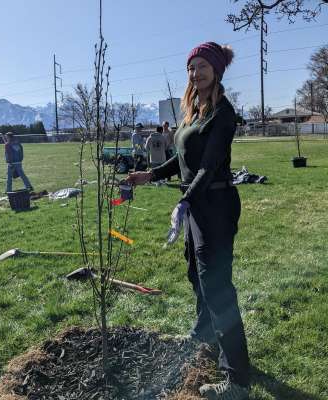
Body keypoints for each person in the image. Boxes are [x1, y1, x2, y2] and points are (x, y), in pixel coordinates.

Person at [127, 42, 250, 399]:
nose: (196, 74)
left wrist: (184, 200)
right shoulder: (194, 111)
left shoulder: (222, 114)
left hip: (215, 205)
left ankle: (238, 380)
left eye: (202, 67)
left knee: (217, 288)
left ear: (217, 70)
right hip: (197, 204)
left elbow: (208, 166)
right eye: (191, 68)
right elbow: (183, 160)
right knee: (196, 274)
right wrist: (149, 175)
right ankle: (205, 335)